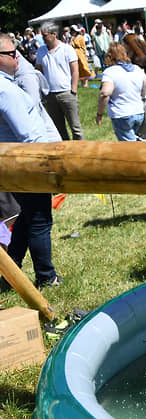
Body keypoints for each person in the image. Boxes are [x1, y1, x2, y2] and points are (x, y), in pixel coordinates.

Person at [0, 33, 62, 288]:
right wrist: (46, 162)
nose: (17, 58)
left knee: (26, 217)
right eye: (12, 54)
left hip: (13, 165)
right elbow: (28, 135)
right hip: (27, 164)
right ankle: (46, 277)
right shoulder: (5, 90)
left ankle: (10, 272)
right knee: (39, 219)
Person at [35, 22, 83, 140]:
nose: (43, 38)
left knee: (75, 127)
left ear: (54, 34)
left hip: (66, 93)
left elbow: (75, 71)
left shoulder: (67, 49)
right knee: (58, 128)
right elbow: (39, 72)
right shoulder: (41, 51)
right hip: (49, 95)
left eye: (45, 35)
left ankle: (82, 152)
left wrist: (73, 90)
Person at [96, 43, 146, 141]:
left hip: (121, 114)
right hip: (139, 112)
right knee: (138, 142)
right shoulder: (136, 68)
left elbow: (105, 93)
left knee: (129, 148)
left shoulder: (110, 72)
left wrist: (99, 114)